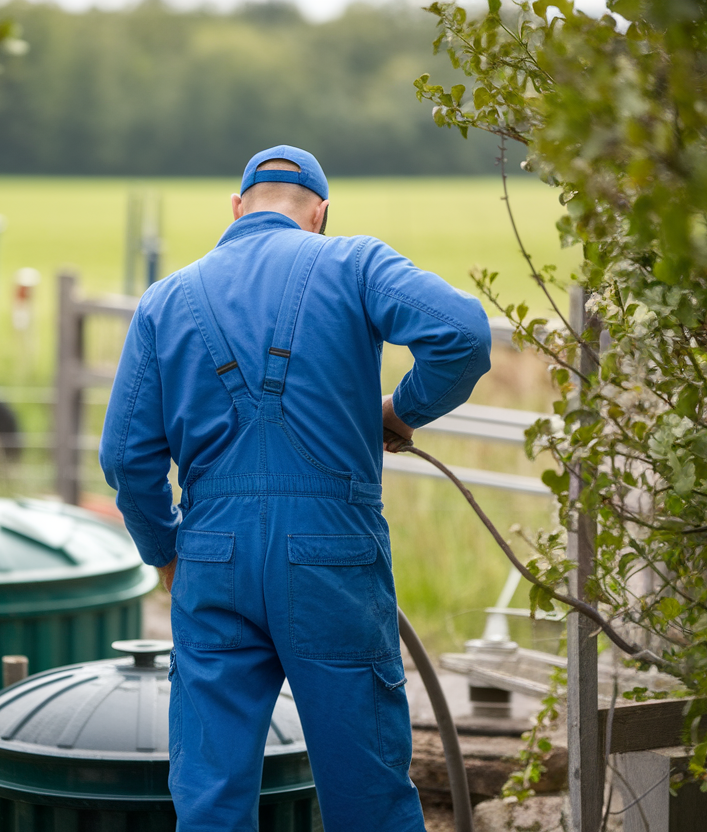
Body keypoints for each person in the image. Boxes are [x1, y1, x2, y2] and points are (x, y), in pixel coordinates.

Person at [99, 145, 491, 831]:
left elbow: (125, 458)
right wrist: (400, 411)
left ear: (237, 207)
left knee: (211, 800)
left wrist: (166, 554)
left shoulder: (166, 301)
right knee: (367, 794)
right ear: (319, 214)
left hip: (212, 558)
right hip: (331, 559)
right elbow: (462, 334)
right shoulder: (354, 263)